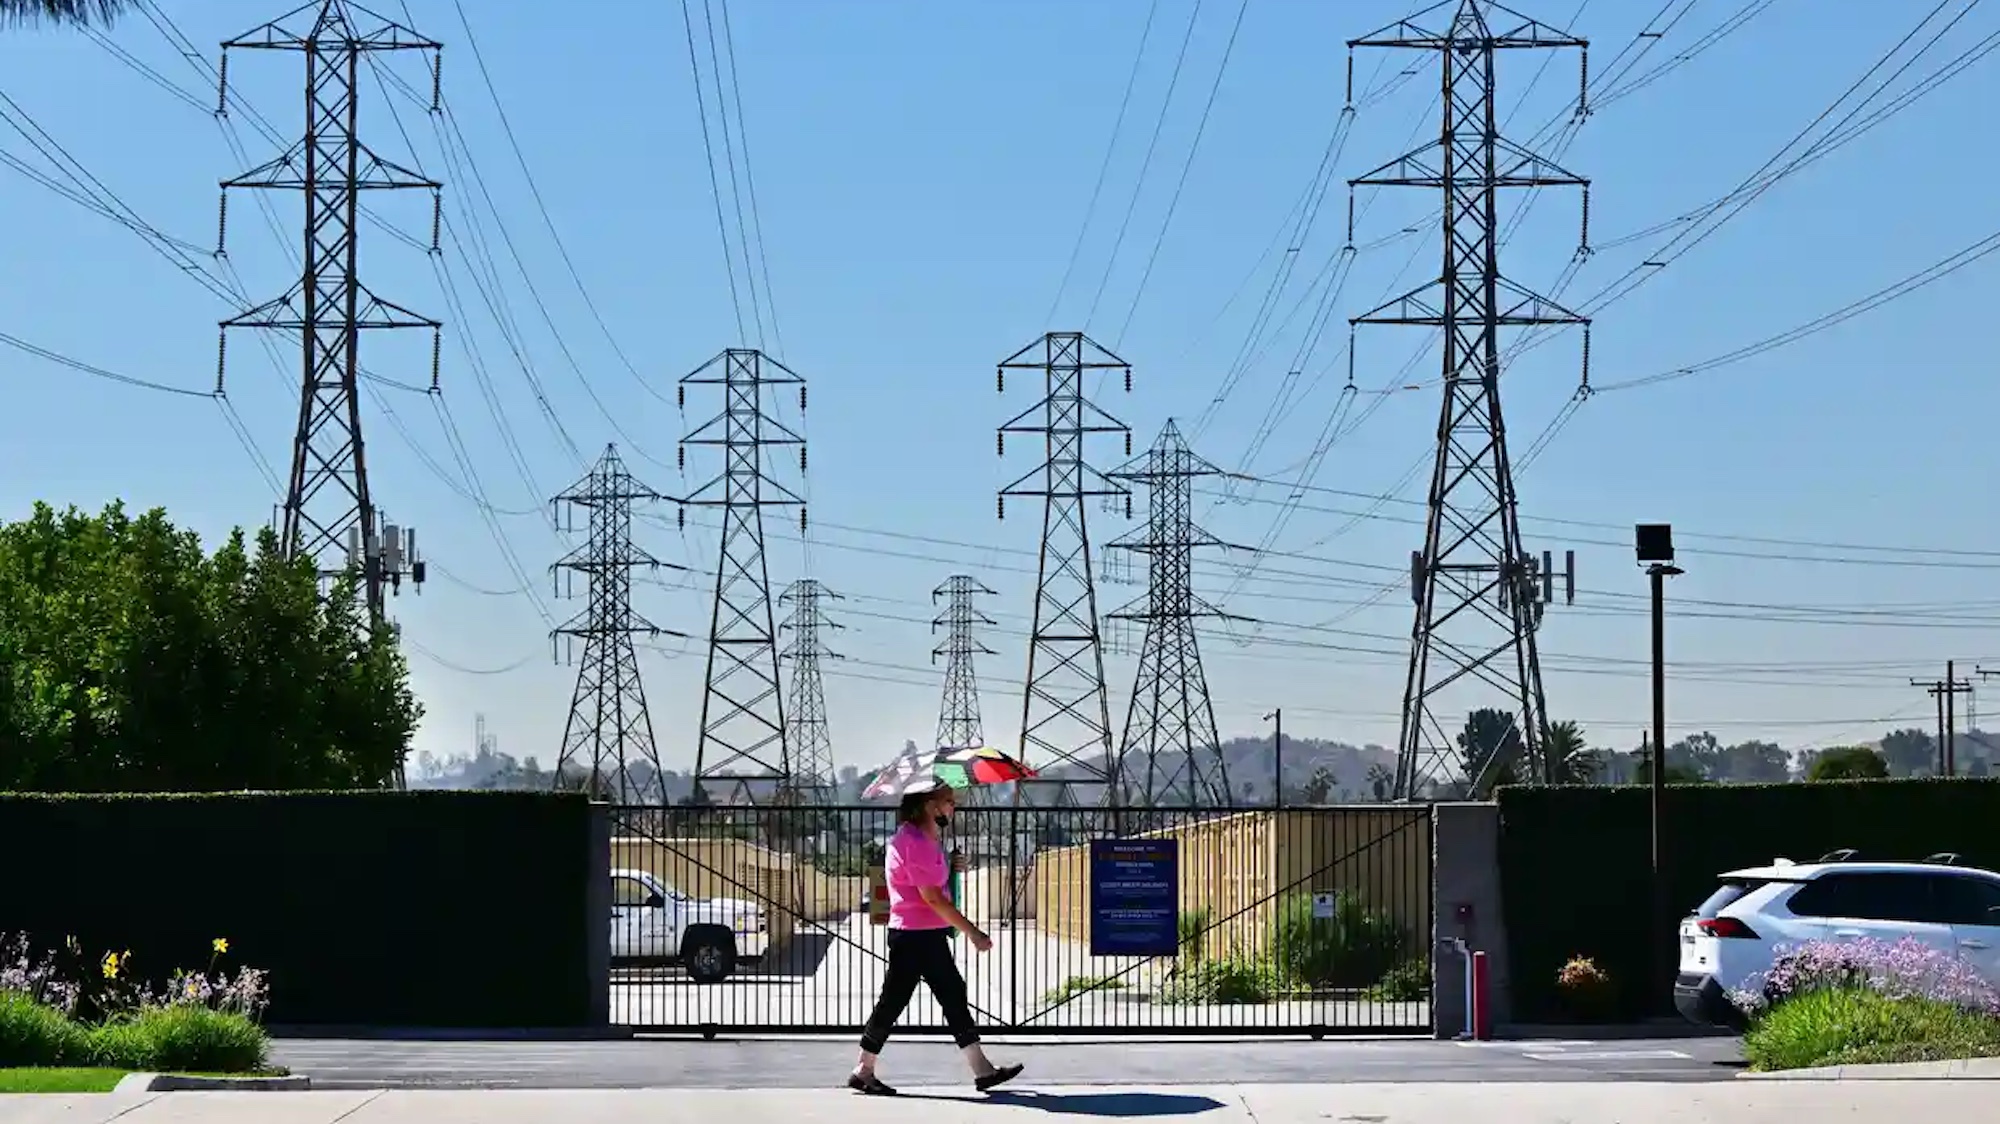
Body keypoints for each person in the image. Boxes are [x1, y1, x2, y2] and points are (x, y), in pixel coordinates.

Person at [849, 781, 1022, 1096]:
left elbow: (934, 888)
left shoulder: (923, 839)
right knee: (908, 999)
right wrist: (973, 931)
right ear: (931, 805)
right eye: (948, 801)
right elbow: (932, 898)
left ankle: (867, 1068)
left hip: (921, 934)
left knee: (940, 995)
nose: (953, 807)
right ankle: (864, 1068)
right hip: (916, 936)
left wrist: (953, 869)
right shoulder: (915, 842)